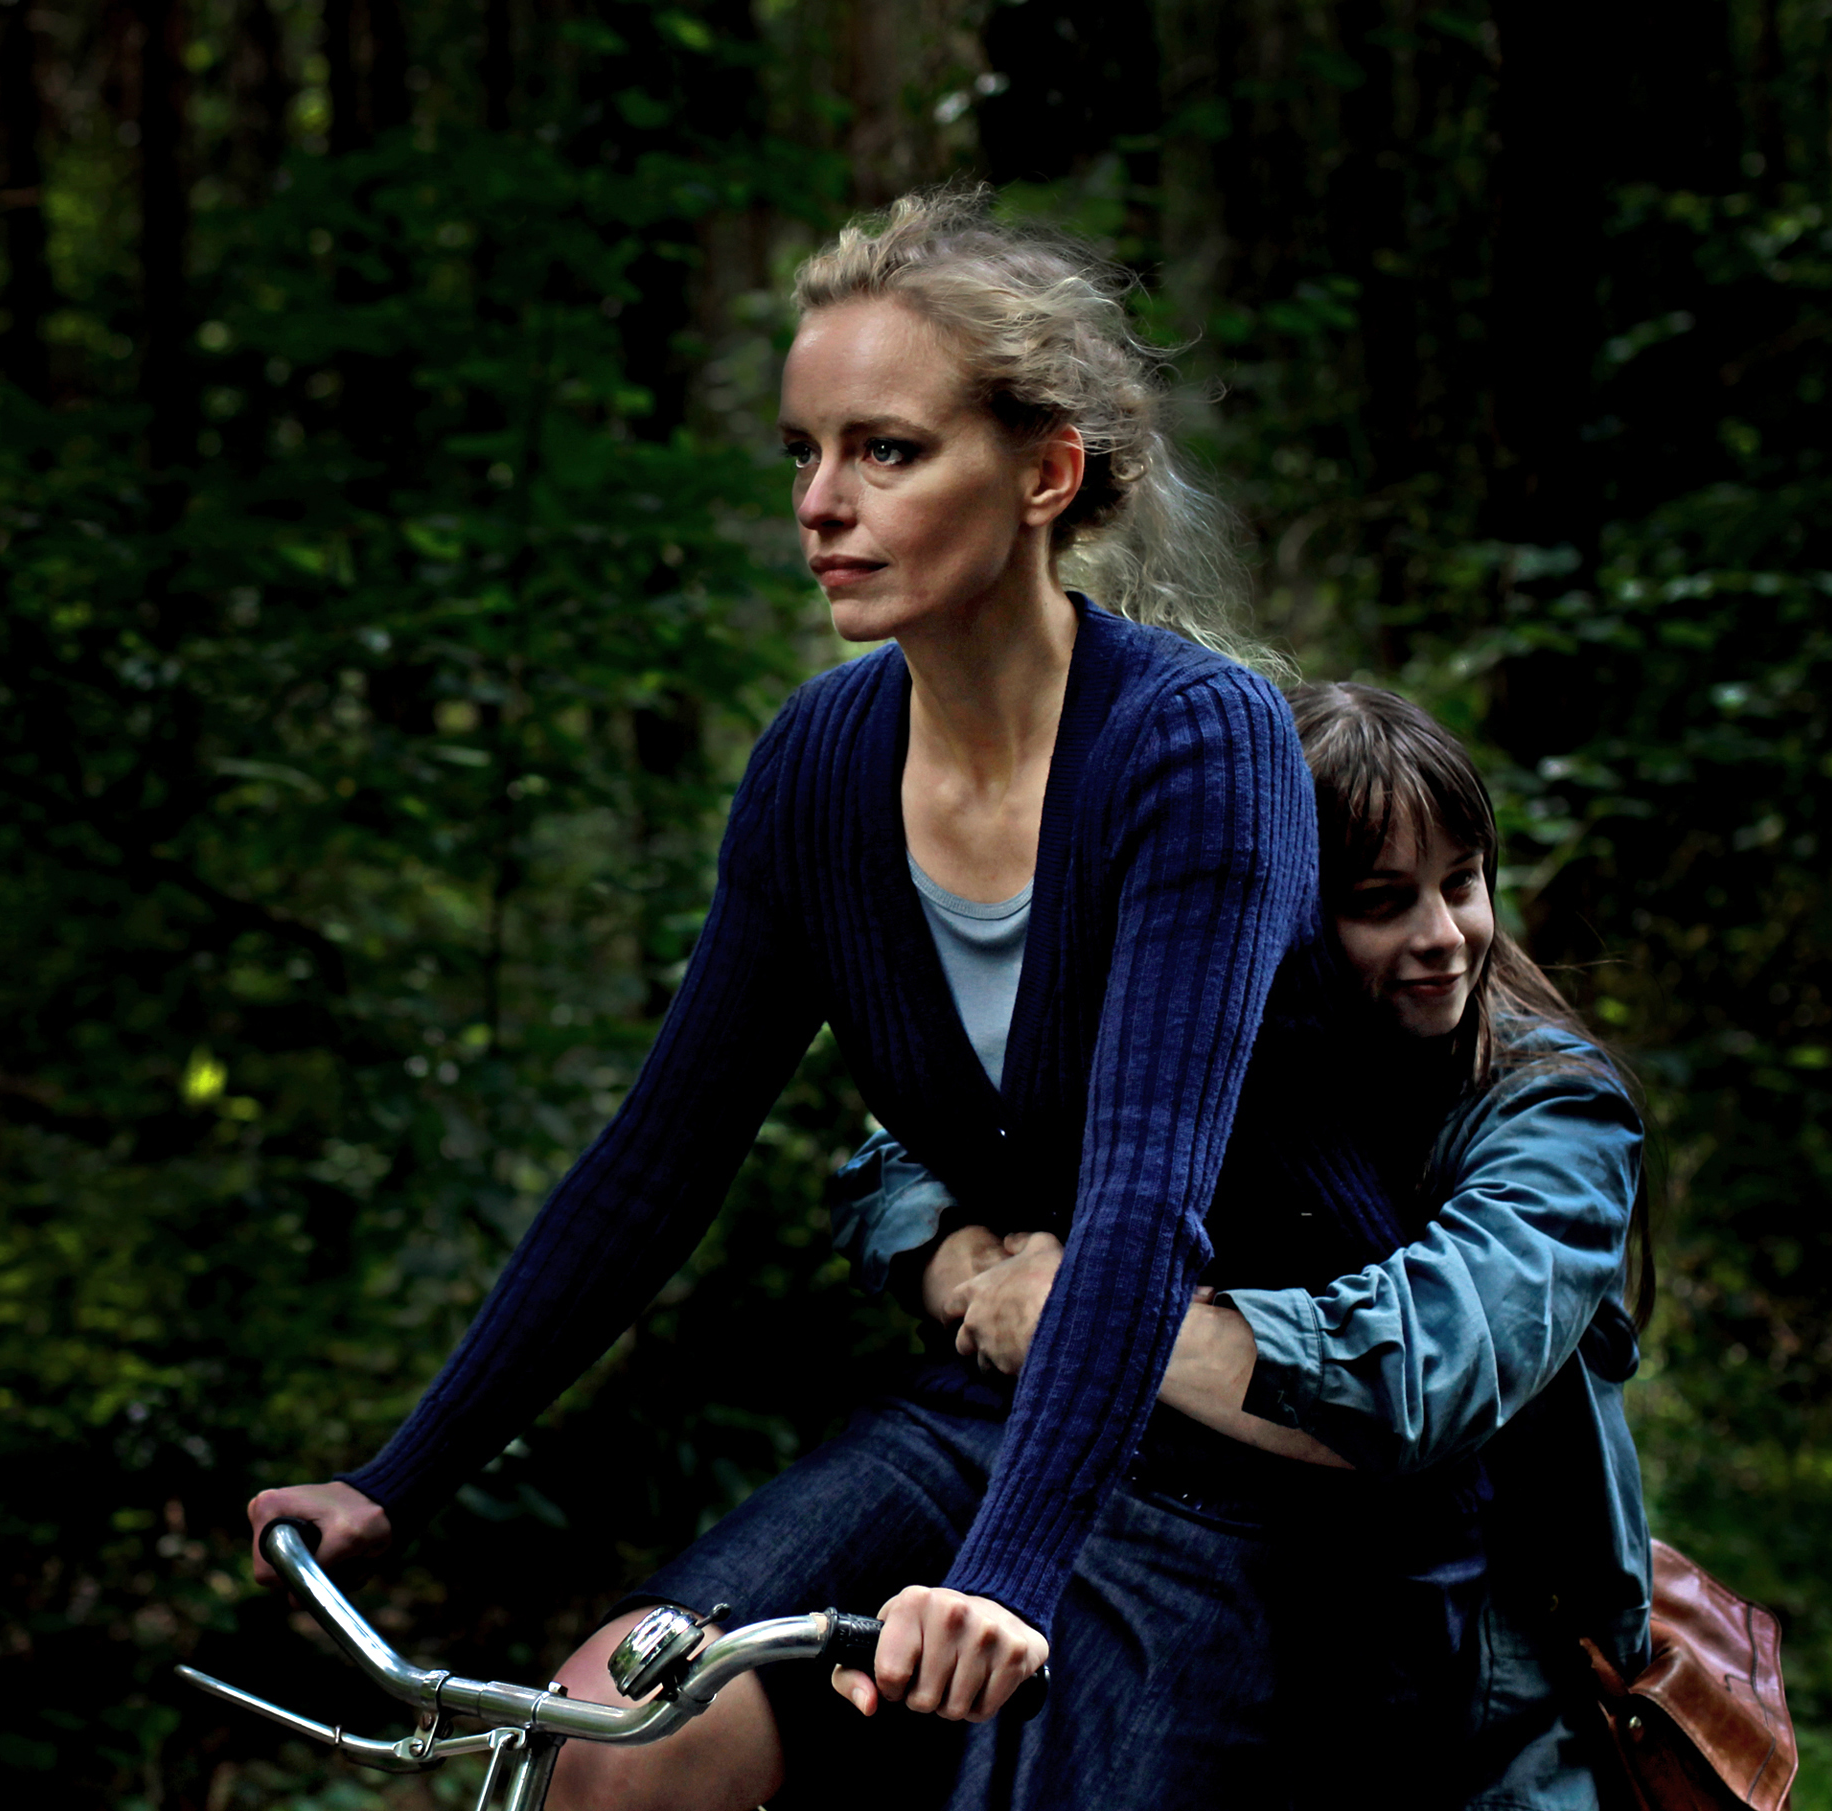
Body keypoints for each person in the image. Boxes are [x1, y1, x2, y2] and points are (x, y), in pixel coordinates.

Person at [244, 188, 1447, 1810]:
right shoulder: (818, 766)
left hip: (1248, 1454)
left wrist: (1005, 1574)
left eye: (885, 451)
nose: (821, 503)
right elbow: (657, 1161)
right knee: (611, 1740)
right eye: (802, 453)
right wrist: (399, 1478)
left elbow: (1143, 1198)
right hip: (995, 1403)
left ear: (1045, 473)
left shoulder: (1195, 745)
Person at [862, 681, 1652, 1808]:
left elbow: (1416, 1373)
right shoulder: (1204, 1035)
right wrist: (965, 1271)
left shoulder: (1551, 1110)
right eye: (1380, 901)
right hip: (1210, 1594)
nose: (1442, 938)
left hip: (1487, 1687)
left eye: (1461, 883)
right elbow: (904, 1150)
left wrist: (1076, 1314)